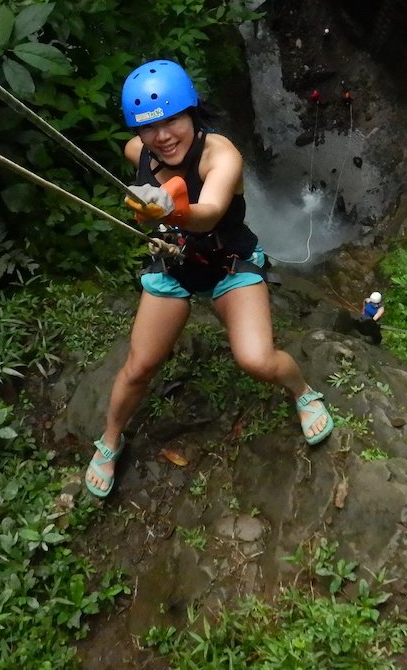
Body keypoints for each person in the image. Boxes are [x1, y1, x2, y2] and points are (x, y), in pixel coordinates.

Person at [85, 59, 335, 498]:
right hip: (176, 266)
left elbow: (211, 213)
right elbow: (142, 159)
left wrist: (171, 211)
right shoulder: (137, 151)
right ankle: (110, 440)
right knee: (139, 366)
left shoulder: (222, 155)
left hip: (229, 263)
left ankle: (302, 390)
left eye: (173, 120)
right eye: (149, 128)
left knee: (256, 360)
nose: (162, 136)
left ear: (192, 112)